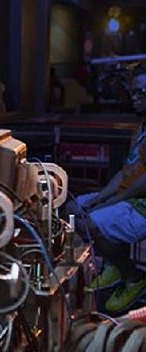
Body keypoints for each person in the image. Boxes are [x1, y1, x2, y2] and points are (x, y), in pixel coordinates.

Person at [68, 69, 146, 313]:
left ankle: (134, 278)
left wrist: (111, 202)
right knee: (73, 209)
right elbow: (125, 173)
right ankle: (114, 264)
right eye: (133, 91)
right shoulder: (141, 127)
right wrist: (101, 198)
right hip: (130, 198)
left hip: (142, 204)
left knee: (90, 224)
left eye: (141, 92)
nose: (135, 97)